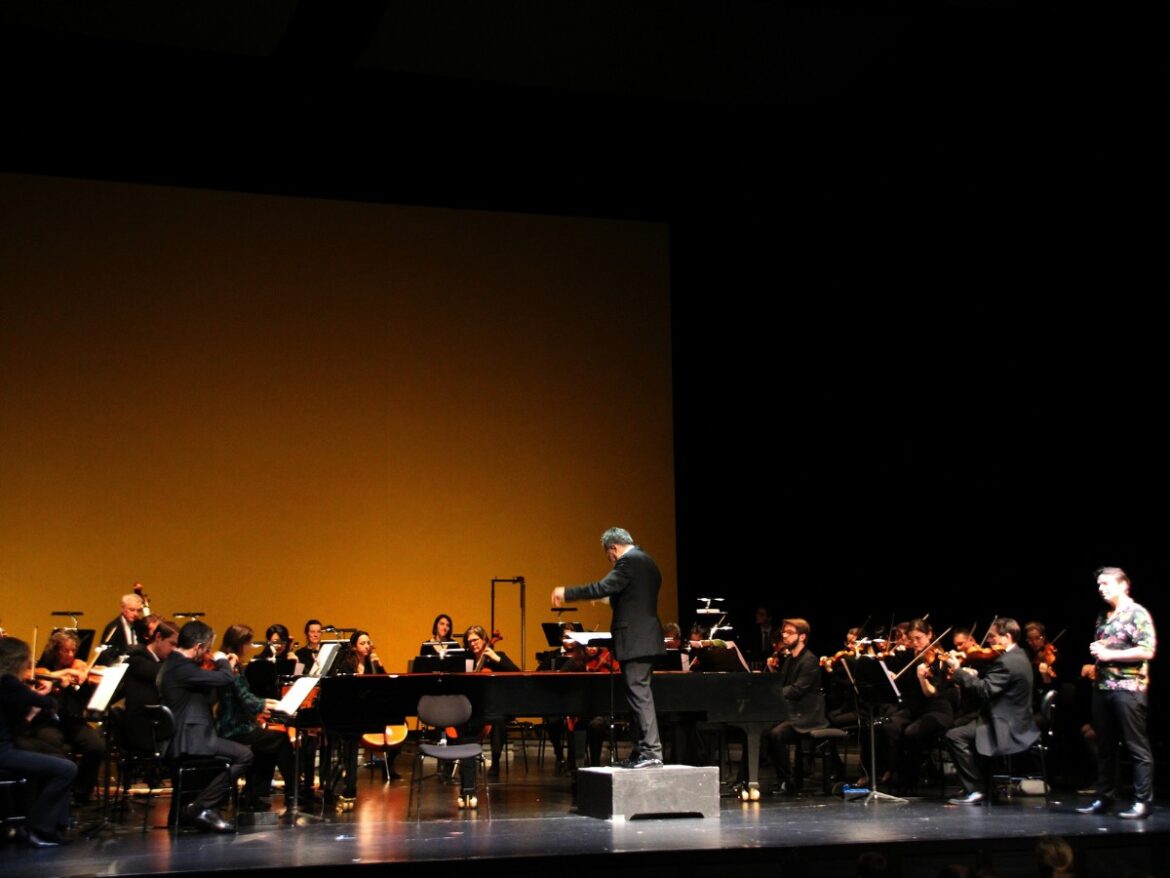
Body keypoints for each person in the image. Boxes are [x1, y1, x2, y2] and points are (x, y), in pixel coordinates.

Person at [552, 526, 666, 769]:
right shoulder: (650, 563)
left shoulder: (627, 562)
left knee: (639, 696)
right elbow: (636, 596)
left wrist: (567, 593)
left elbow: (602, 586)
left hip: (635, 640)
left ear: (613, 548)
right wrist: (611, 599)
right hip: (647, 638)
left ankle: (651, 753)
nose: (611, 560)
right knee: (638, 696)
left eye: (609, 555)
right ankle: (641, 751)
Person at [1076, 566, 1156, 820]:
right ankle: (1105, 797)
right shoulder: (1103, 616)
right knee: (1104, 746)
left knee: (1136, 746)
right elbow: (1107, 647)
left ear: (1123, 584)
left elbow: (1146, 650)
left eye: (1107, 584)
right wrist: (1098, 652)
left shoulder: (1137, 613)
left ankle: (1143, 801)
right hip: (1102, 687)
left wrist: (1111, 654)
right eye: (1099, 585)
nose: (1101, 589)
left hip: (1128, 688)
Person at [158, 619, 252, 833]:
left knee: (235, 755)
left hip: (191, 736)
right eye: (208, 648)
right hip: (190, 739)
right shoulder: (181, 667)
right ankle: (200, 808)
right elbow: (226, 677)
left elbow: (209, 694)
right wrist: (222, 660)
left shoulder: (179, 666)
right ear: (199, 647)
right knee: (244, 755)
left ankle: (193, 812)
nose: (209, 652)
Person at [944, 617, 1040, 805]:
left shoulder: (1007, 661)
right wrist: (976, 674)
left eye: (992, 637)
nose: (988, 641)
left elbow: (985, 690)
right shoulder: (1017, 656)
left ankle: (976, 790)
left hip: (1006, 724)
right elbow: (996, 679)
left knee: (954, 736)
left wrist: (958, 671)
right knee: (963, 726)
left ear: (1006, 637)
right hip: (1011, 717)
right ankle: (987, 786)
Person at [0, 637, 78, 847]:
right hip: (3, 753)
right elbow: (48, 703)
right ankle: (38, 828)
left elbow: (14, 724)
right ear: (18, 661)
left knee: (57, 760)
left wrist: (30, 712)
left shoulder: (8, 685)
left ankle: (52, 826)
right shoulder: (8, 682)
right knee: (66, 768)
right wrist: (46, 692)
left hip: (6, 747)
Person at [216, 624, 300, 814]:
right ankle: (291, 794)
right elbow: (245, 699)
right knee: (279, 740)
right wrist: (267, 704)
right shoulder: (230, 664)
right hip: (235, 727)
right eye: (248, 643)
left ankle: (254, 795)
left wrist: (267, 702)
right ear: (240, 644)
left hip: (236, 724)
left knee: (270, 742)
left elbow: (245, 695)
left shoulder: (229, 662)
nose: (250, 646)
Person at [24, 630, 106, 804]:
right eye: (65, 651)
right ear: (55, 651)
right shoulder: (42, 668)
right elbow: (42, 676)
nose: (70, 655)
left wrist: (85, 683)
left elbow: (86, 697)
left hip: (73, 721)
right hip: (47, 723)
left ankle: (81, 792)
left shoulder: (80, 669)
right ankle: (56, 794)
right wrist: (64, 674)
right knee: (55, 749)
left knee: (96, 746)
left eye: (73, 651)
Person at [762, 618, 828, 794]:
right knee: (762, 730)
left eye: (789, 632)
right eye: (784, 632)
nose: (784, 635)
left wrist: (772, 694)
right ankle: (769, 779)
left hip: (807, 716)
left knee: (776, 734)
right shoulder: (790, 659)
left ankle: (787, 781)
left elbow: (797, 690)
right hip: (793, 714)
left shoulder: (810, 660)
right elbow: (783, 685)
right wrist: (771, 670)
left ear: (802, 637)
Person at [120, 619, 179, 752]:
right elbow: (162, 675)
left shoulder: (162, 662)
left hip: (156, 725)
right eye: (172, 644)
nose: (174, 650)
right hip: (144, 728)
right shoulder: (137, 661)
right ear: (158, 637)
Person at [95, 592, 149, 664]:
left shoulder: (141, 625)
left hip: (139, 664)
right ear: (122, 609)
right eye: (132, 610)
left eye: (139, 610)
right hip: (119, 665)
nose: (136, 614)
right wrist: (123, 650)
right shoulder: (113, 627)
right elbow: (105, 654)